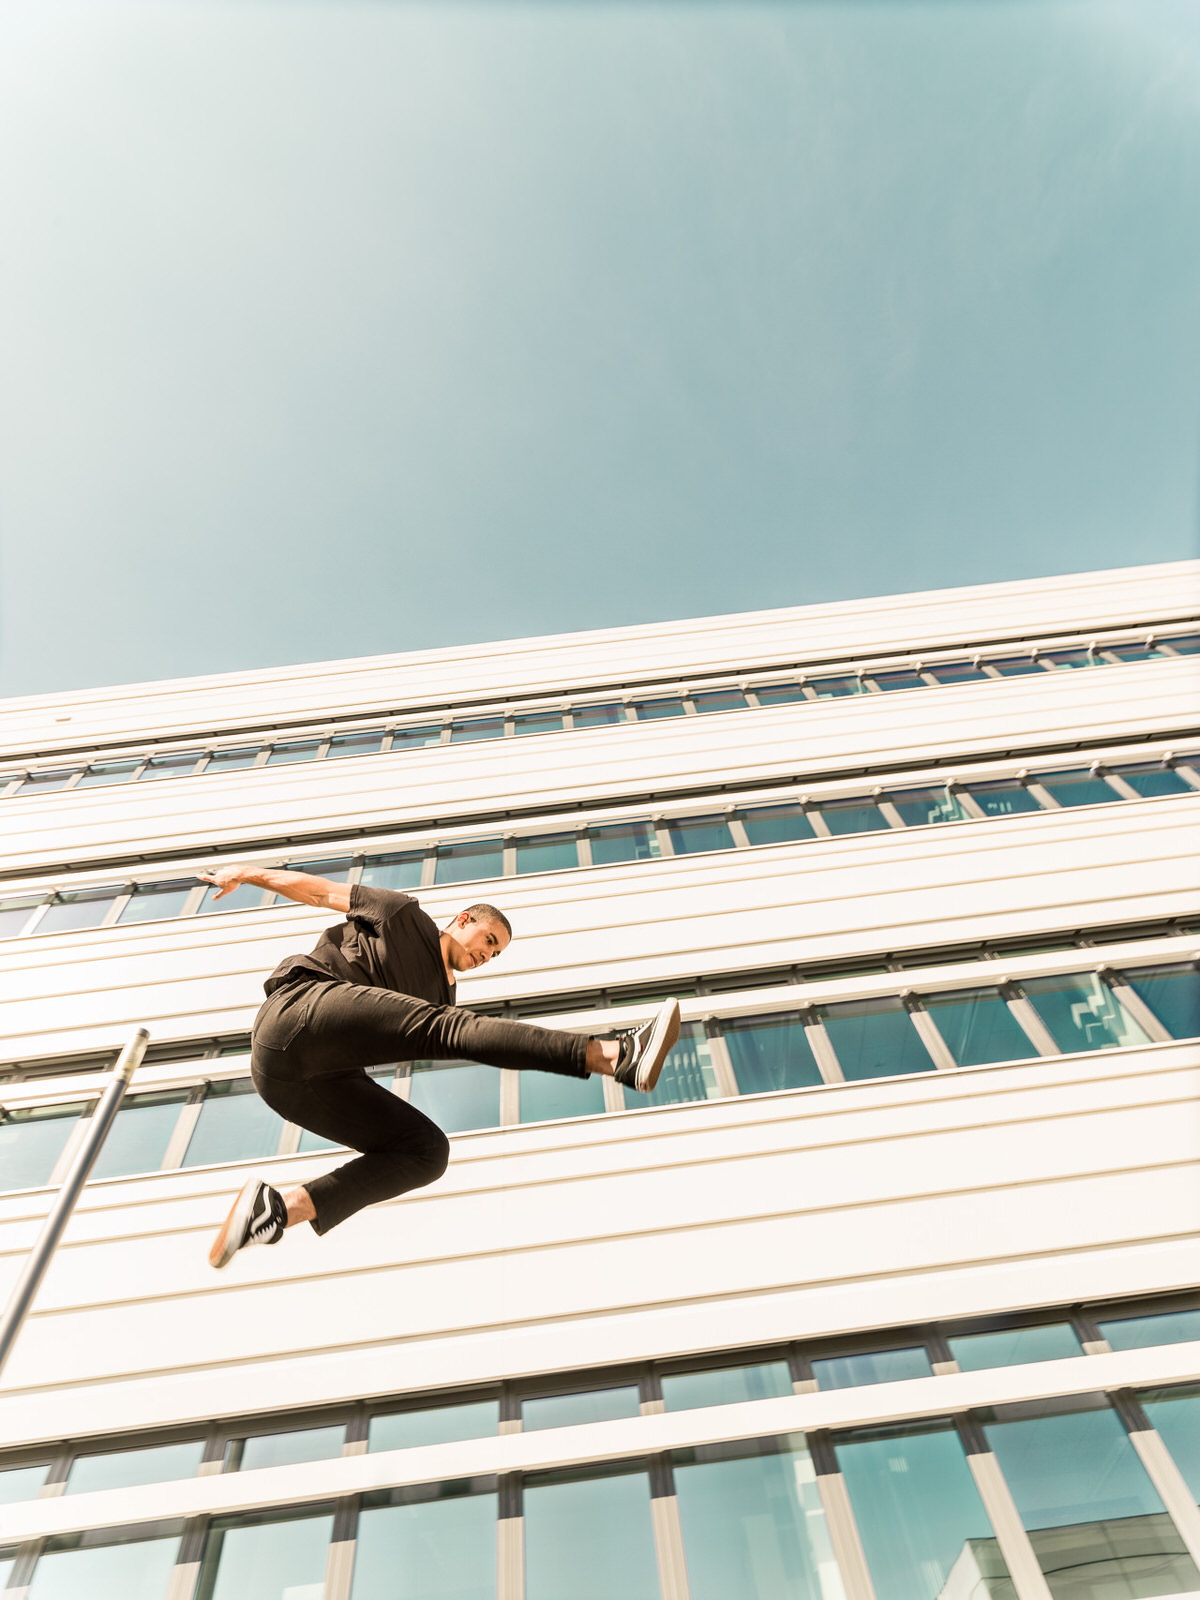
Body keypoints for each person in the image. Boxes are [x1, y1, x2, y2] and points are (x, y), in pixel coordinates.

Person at [201, 863, 679, 1268]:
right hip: (299, 1012)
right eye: (486, 940)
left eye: (494, 955)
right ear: (463, 919)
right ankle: (612, 1055)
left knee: (426, 1151)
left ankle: (276, 1210)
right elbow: (320, 891)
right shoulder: (401, 914)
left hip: (295, 1083)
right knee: (449, 1028)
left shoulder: (440, 997)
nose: (484, 956)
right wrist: (245, 874)